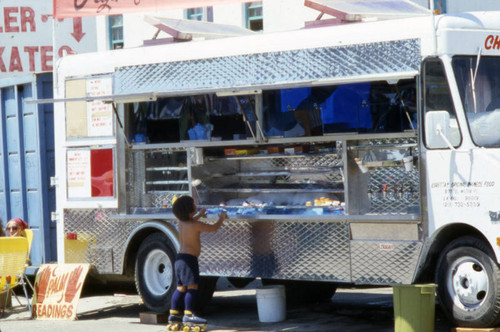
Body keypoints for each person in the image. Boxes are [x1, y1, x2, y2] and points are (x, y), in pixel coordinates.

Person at [168, 195, 227, 330]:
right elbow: (213, 228)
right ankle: (189, 314)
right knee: (192, 287)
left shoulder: (181, 223)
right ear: (190, 210)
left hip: (179, 260)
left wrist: (199, 215)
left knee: (180, 288)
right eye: (194, 205)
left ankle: (174, 314)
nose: (196, 206)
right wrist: (221, 218)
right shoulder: (196, 225)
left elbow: (191, 222)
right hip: (189, 261)